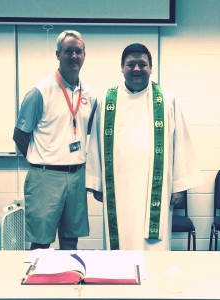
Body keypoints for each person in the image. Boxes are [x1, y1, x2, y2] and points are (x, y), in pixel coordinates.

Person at [86, 43, 202, 250]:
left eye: (142, 64)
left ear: (151, 68)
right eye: (131, 64)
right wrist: (97, 182)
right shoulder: (107, 100)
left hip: (156, 187)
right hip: (118, 188)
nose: (137, 69)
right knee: (120, 241)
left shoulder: (167, 100)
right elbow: (94, 140)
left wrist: (179, 186)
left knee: (153, 247)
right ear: (122, 68)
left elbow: (181, 142)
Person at [13, 30, 97, 250]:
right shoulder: (40, 92)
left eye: (78, 51)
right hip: (45, 176)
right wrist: (41, 159)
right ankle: (38, 282)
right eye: (68, 51)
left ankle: (70, 282)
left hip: (77, 176)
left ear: (85, 56)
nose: (74, 56)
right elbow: (20, 135)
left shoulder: (90, 94)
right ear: (58, 54)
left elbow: (87, 133)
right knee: (41, 241)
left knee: (71, 239)